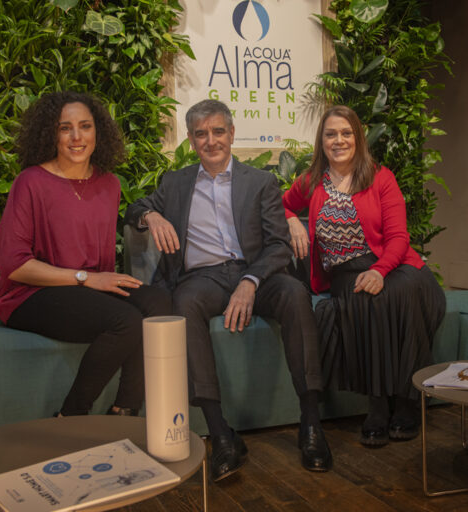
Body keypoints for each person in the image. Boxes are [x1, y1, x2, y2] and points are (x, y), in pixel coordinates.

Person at [126, 99, 332, 481]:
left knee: (294, 294)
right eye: (201, 134)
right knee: (183, 305)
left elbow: (277, 245)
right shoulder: (175, 183)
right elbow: (134, 208)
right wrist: (150, 214)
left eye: (218, 131)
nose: (211, 141)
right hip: (201, 279)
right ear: (190, 139)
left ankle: (311, 422)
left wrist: (250, 282)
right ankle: (220, 434)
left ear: (232, 134)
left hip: (257, 274)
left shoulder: (261, 182)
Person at [0, 91, 171, 417]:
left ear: (97, 131)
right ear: (51, 134)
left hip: (85, 290)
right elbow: (13, 265)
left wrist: (92, 282)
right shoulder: (30, 182)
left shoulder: (109, 184)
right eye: (65, 128)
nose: (76, 137)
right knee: (126, 321)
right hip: (31, 294)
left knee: (157, 303)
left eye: (85, 126)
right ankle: (70, 416)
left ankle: (124, 411)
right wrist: (86, 279)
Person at [282, 105, 446, 447]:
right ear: (321, 141)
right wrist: (291, 219)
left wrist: (379, 269)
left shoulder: (379, 177)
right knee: (363, 297)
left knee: (392, 294)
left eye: (346, 133)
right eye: (331, 134)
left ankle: (404, 403)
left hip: (394, 266)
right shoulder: (311, 180)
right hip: (344, 274)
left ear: (357, 137)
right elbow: (278, 204)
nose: (338, 140)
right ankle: (378, 406)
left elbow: (399, 238)